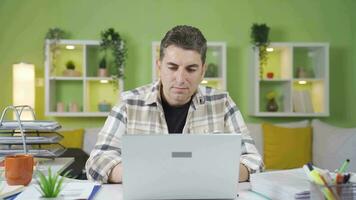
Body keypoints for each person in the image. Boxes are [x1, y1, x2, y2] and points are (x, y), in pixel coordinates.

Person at [86, 25, 263, 183]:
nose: (180, 79)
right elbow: (97, 161)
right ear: (159, 66)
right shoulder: (128, 103)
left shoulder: (222, 103)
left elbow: (254, 161)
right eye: (172, 67)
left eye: (191, 69)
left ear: (203, 71)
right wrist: (138, 175)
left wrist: (218, 174)